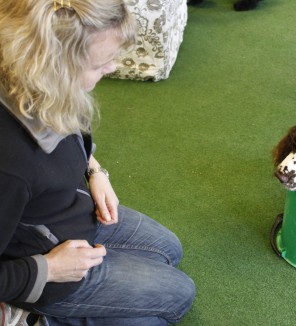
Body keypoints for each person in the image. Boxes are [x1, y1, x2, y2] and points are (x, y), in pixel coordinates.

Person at [0, 0, 195, 325]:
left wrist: (93, 170)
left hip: (67, 211)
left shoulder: (40, 82)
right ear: (54, 65)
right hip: (45, 267)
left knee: (168, 250)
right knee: (176, 298)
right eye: (100, 63)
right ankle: (30, 318)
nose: (111, 68)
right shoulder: (9, 166)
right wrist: (49, 268)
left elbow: (69, 134)